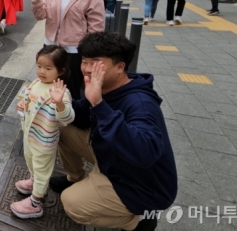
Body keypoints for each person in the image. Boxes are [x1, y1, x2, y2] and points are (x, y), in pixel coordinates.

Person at [49, 32, 177, 231]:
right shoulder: (107, 87)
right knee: (61, 126)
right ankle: (76, 178)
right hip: (113, 158)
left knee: (73, 204)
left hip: (140, 184)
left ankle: (138, 220)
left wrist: (99, 104)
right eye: (84, 61)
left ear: (120, 67)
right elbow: (79, 114)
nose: (88, 69)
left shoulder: (141, 103)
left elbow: (145, 153)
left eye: (96, 63)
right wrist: (50, 104)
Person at [33, 0, 105, 100]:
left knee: (70, 91)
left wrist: (89, 55)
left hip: (74, 51)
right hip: (50, 47)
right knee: (47, 87)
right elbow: (40, 15)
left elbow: (96, 27)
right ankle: (48, 120)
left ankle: (68, 120)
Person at [11, 45, 74, 219]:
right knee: (30, 161)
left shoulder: (60, 92)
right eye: (39, 66)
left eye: (48, 68)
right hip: (30, 135)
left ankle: (35, 202)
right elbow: (26, 98)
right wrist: (22, 104)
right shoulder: (36, 83)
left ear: (60, 71)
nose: (42, 71)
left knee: (42, 170)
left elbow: (68, 118)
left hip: (44, 141)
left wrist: (60, 103)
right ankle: (34, 182)